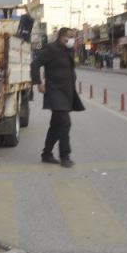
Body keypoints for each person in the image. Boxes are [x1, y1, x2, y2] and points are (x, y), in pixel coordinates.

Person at [31, 27, 85, 168]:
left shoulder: (68, 50)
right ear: (61, 36)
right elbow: (35, 64)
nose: (72, 39)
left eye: (74, 37)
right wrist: (38, 83)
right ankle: (65, 156)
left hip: (66, 92)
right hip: (54, 92)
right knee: (65, 123)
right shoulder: (51, 49)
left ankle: (46, 154)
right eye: (69, 36)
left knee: (56, 125)